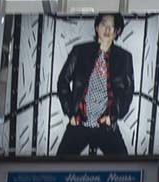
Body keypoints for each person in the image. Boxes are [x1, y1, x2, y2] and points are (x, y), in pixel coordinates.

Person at [56, 13, 134, 155]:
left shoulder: (124, 57)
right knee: (60, 164)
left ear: (117, 31)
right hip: (80, 121)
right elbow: (63, 81)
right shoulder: (80, 51)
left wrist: (113, 117)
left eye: (112, 26)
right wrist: (71, 113)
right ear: (97, 27)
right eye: (104, 24)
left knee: (124, 166)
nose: (107, 29)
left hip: (106, 124)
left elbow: (128, 92)